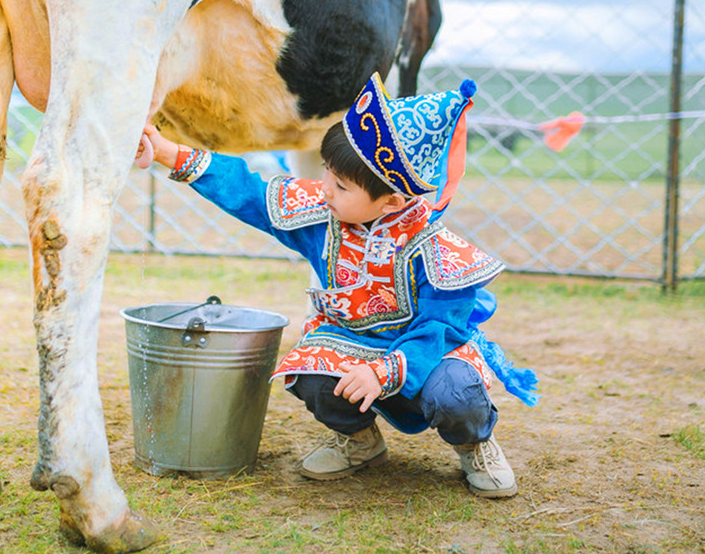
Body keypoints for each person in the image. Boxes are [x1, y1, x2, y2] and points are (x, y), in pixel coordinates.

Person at [138, 72, 538, 498]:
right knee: (309, 372)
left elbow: (438, 332)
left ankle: (474, 443)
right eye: (327, 171)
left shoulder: (439, 254)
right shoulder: (321, 215)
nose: (324, 188)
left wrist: (381, 372)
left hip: (429, 358)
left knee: (456, 393)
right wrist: (166, 151)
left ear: (393, 201)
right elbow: (250, 192)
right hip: (353, 345)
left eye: (340, 184)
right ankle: (361, 441)